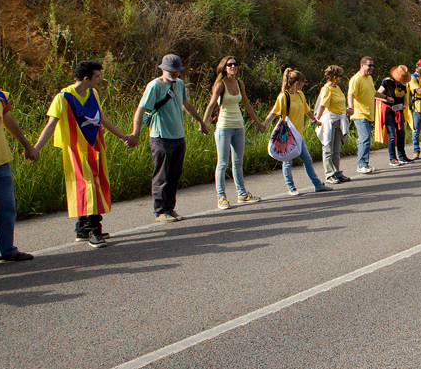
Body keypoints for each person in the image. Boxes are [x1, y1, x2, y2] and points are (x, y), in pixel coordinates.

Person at [32, 60, 134, 246]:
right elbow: (51, 125)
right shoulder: (63, 98)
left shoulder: (92, 93)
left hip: (94, 147)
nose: (100, 79)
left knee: (91, 185)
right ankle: (95, 230)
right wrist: (36, 148)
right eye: (97, 76)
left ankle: (82, 229)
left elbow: (101, 118)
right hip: (77, 150)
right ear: (86, 78)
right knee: (89, 187)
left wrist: (121, 136)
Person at [131, 54, 209, 223]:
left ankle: (170, 208)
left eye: (177, 71)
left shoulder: (179, 84)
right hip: (161, 137)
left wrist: (201, 122)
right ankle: (160, 211)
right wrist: (136, 132)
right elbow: (140, 110)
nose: (174, 74)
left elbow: (187, 104)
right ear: (162, 69)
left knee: (174, 175)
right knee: (162, 175)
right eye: (171, 71)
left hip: (178, 136)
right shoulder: (154, 86)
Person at [0, 61, 38, 270]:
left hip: (1, 164)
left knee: (7, 208)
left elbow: (10, 122)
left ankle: (5, 250)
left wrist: (28, 146)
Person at [203, 56, 266, 210]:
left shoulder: (239, 83)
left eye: (235, 64)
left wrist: (258, 122)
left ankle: (242, 194)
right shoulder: (220, 84)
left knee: (238, 162)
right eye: (230, 64)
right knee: (223, 163)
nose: (233, 67)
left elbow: (246, 103)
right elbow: (211, 104)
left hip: (238, 126)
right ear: (224, 67)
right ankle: (221, 197)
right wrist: (203, 123)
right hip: (224, 127)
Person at [262, 68, 330, 195]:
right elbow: (274, 112)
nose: (303, 84)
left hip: (299, 136)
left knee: (307, 160)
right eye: (302, 82)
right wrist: (263, 125)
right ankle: (291, 187)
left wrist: (315, 120)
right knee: (287, 162)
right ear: (296, 83)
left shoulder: (300, 95)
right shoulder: (284, 97)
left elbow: (306, 110)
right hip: (288, 136)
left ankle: (317, 185)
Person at [313, 65, 351, 184]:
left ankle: (337, 172)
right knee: (328, 149)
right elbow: (322, 105)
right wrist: (317, 119)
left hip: (339, 119)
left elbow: (338, 104)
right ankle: (329, 174)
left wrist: (345, 110)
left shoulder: (337, 88)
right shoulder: (326, 89)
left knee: (336, 149)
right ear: (334, 77)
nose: (341, 78)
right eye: (340, 76)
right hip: (329, 120)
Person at [376, 65, 413, 166]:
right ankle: (392, 158)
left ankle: (402, 156)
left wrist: (404, 105)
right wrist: (386, 99)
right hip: (389, 111)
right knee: (392, 135)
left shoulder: (403, 86)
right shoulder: (387, 83)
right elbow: (377, 95)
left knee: (401, 134)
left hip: (399, 111)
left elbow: (405, 99)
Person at [347, 56, 378, 174]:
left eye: (373, 65)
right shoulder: (356, 79)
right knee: (365, 138)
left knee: (366, 139)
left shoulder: (369, 78)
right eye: (369, 65)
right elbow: (351, 94)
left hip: (368, 113)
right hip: (360, 114)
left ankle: (365, 163)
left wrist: (386, 97)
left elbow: (373, 92)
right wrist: (351, 107)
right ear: (362, 65)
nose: (372, 68)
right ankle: (361, 165)